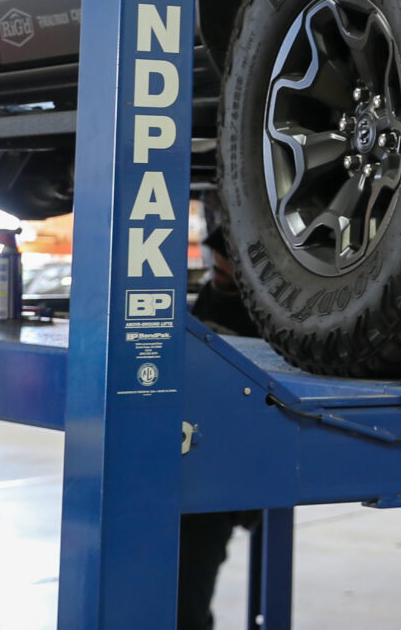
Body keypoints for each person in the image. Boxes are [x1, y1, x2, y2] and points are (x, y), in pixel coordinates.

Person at [180, 210, 259, 630]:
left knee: (187, 591)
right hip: (190, 454)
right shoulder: (213, 293)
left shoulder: (258, 308)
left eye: (224, 263)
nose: (216, 270)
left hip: (217, 469)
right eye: (213, 261)